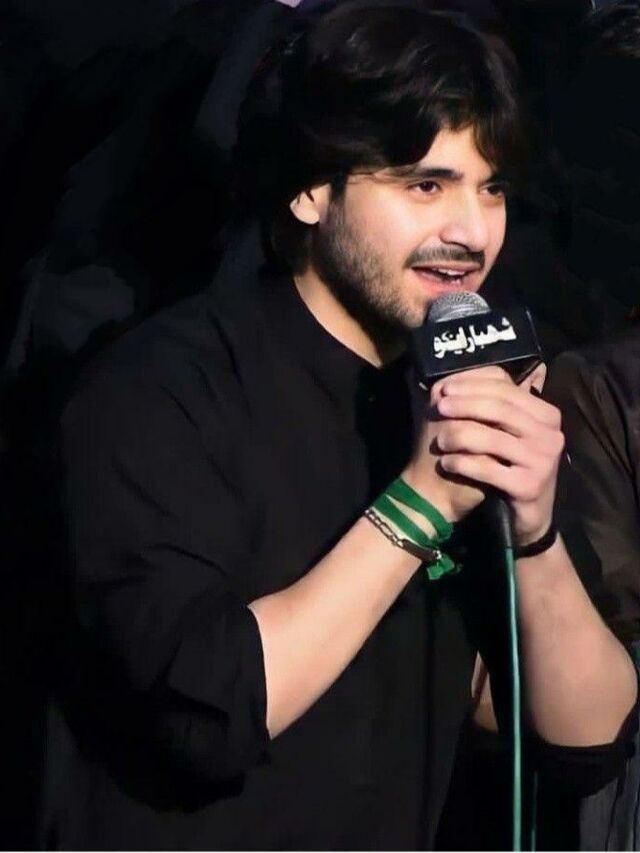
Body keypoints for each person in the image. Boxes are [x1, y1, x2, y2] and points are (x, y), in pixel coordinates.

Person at [37, 2, 637, 849]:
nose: (472, 231)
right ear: (313, 190)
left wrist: (534, 530)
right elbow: (204, 712)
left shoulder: (460, 395)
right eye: (426, 185)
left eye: (491, 187)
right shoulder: (155, 389)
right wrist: (420, 503)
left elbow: (590, 739)